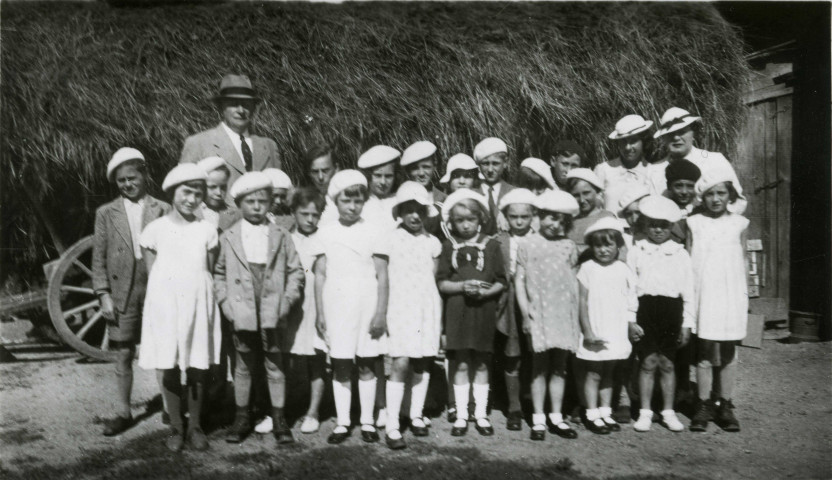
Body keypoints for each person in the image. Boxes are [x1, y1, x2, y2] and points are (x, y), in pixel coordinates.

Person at [214, 172, 304, 445]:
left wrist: (286, 302)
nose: (256, 207)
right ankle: (242, 417)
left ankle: (279, 418)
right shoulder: (229, 236)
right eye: (250, 201)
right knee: (242, 365)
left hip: (272, 312)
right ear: (239, 203)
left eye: (262, 201)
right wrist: (226, 304)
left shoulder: (281, 235)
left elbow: (296, 272)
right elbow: (218, 274)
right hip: (241, 312)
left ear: (270, 203)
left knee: (275, 365)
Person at [138, 163, 222, 452]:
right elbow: (153, 273)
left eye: (198, 193)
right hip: (165, 303)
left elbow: (207, 271)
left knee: (198, 364)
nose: (192, 199)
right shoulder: (155, 229)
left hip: (198, 303)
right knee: (170, 364)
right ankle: (176, 426)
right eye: (186, 192)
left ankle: (196, 426)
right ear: (173, 192)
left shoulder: (207, 230)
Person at [93, 147, 170, 436]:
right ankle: (124, 412)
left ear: (144, 175)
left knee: (163, 351)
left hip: (156, 289)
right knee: (123, 353)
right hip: (121, 291)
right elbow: (98, 257)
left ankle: (168, 407)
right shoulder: (105, 213)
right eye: (121, 180)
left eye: (132, 177)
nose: (128, 184)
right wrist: (103, 294)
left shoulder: (163, 209)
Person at [311, 170, 389, 445]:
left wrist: (380, 312)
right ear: (335, 201)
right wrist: (320, 312)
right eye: (347, 201)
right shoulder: (326, 232)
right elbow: (320, 275)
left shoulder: (374, 231)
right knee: (341, 363)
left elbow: (382, 276)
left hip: (366, 304)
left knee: (367, 363)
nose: (353, 207)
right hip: (337, 305)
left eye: (358, 201)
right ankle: (343, 421)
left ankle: (367, 421)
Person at [436, 189, 507, 437]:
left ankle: (481, 414)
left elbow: (501, 281)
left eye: (470, 219)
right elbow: (442, 283)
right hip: (458, 312)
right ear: (451, 222)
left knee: (482, 362)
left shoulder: (492, 245)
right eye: (459, 220)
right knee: (462, 362)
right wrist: (461, 287)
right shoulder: (448, 246)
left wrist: (486, 293)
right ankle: (462, 415)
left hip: (483, 312)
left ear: (480, 219)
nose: (465, 225)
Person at [514, 190, 581, 441]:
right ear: (539, 217)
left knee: (560, 367)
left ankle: (557, 417)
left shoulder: (568, 246)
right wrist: (524, 314)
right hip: (538, 313)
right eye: (551, 218)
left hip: (563, 313)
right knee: (539, 367)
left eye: (562, 221)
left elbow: (572, 281)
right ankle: (539, 418)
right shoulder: (528, 244)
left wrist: (576, 318)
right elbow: (519, 282)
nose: (556, 225)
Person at [686, 167, 749, 433]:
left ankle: (724, 403)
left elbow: (744, 261)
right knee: (704, 351)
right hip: (704, 294)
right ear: (702, 197)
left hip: (731, 295)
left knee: (728, 352)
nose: (715, 199)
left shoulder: (740, 224)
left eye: (721, 193)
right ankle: (703, 404)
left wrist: (746, 297)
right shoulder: (694, 223)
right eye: (709, 194)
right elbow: (689, 261)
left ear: (730, 195)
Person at [626, 196, 694, 433]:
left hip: (671, 312)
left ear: (671, 227)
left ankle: (667, 411)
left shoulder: (679, 253)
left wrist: (687, 324)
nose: (657, 230)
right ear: (645, 225)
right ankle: (645, 412)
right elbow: (630, 288)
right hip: (645, 310)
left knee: (666, 363)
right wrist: (631, 320)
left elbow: (688, 291)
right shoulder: (636, 251)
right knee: (647, 362)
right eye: (653, 224)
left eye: (663, 225)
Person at [383, 182, 443, 449]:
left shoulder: (433, 243)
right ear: (400, 212)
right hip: (400, 307)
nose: (415, 216)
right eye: (409, 210)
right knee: (401, 362)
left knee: (423, 362)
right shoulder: (391, 239)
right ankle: (393, 425)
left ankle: (416, 415)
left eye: (420, 210)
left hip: (425, 308)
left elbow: (432, 280)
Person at [576, 217, 638, 435]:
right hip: (596, 326)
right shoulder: (587, 268)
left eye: (608, 245)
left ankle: (605, 412)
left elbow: (631, 299)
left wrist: (631, 324)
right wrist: (587, 331)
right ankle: (591, 413)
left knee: (610, 372)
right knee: (593, 372)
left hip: (616, 328)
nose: (603, 250)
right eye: (598, 245)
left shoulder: (623, 269)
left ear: (618, 246)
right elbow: (581, 302)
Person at [180, 74, 281, 191]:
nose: (241, 110)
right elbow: (184, 193)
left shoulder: (269, 146)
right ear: (221, 107)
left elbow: (278, 191)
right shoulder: (198, 143)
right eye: (233, 104)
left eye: (246, 104)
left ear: (253, 108)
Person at [284, 187, 328, 434]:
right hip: (293, 306)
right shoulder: (285, 237)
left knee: (316, 358)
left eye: (315, 214)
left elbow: (322, 274)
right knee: (287, 357)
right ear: (293, 212)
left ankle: (313, 411)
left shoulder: (323, 239)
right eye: (304, 214)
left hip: (316, 303)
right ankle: (282, 409)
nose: (310, 219)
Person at [493, 188, 537, 431]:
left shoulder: (539, 239)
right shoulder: (499, 240)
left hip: (535, 300)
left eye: (524, 217)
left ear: (533, 216)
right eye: (514, 217)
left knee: (535, 353)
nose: (519, 222)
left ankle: (531, 400)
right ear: (506, 217)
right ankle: (513, 406)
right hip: (509, 302)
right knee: (512, 354)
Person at [647, 107, 746, 214]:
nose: (676, 138)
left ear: (693, 133)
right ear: (663, 138)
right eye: (670, 134)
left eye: (681, 132)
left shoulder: (715, 160)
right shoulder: (654, 170)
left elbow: (738, 202)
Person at [596, 115, 653, 212]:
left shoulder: (652, 171)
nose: (627, 147)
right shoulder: (604, 170)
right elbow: (596, 206)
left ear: (643, 141)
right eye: (623, 142)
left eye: (633, 141)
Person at [565, 168, 615, 255]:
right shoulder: (569, 220)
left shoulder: (606, 218)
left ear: (596, 191)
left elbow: (618, 250)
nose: (582, 200)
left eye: (586, 193)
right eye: (576, 195)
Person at [473, 137, 515, 234]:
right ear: (479, 166)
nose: (490, 170)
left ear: (505, 163)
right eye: (485, 164)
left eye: (495, 164)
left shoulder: (514, 193)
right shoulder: (472, 193)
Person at [358, 145, 401, 231]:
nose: (383, 182)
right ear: (368, 176)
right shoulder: (360, 202)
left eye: (388, 176)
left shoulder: (400, 200)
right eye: (378, 175)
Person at [196, 156, 240, 232]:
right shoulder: (191, 212)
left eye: (223, 187)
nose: (219, 193)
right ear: (200, 186)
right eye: (212, 187)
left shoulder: (234, 214)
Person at [401, 140, 445, 216]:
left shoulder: (442, 197)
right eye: (415, 168)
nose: (421, 173)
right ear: (408, 171)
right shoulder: (403, 198)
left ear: (434, 167)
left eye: (426, 167)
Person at [664, 159, 702, 245]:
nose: (684, 191)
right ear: (669, 186)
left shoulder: (702, 212)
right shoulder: (661, 214)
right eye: (678, 186)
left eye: (690, 186)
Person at [617, 185, 650, 250]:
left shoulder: (658, 235)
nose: (634, 219)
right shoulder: (622, 239)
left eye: (638, 213)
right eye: (629, 214)